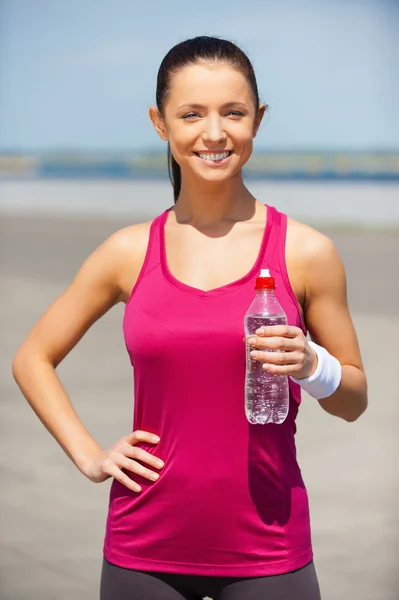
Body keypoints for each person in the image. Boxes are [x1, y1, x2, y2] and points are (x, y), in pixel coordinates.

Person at [12, 36, 367, 600]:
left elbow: (353, 399)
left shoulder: (306, 251)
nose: (215, 133)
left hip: (269, 550)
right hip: (143, 548)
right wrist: (90, 453)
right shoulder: (128, 251)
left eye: (234, 112)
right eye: (191, 114)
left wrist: (312, 365)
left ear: (259, 119)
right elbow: (33, 358)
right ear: (160, 124)